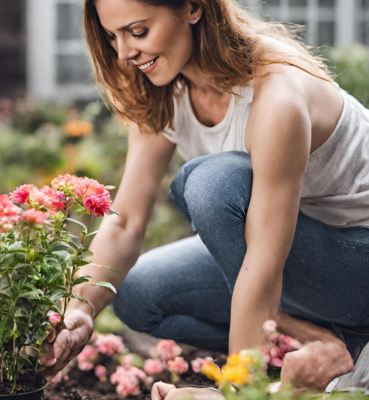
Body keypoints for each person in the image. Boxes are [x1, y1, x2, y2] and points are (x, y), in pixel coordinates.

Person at [40, 0, 369, 398]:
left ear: (193, 8)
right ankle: (329, 344)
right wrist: (79, 309)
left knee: (212, 183)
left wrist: (233, 390)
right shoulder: (165, 91)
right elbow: (125, 219)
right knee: (136, 292)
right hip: (299, 262)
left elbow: (264, 258)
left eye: (138, 31)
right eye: (113, 36)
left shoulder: (276, 91)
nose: (125, 53)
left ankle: (292, 362)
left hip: (356, 261)